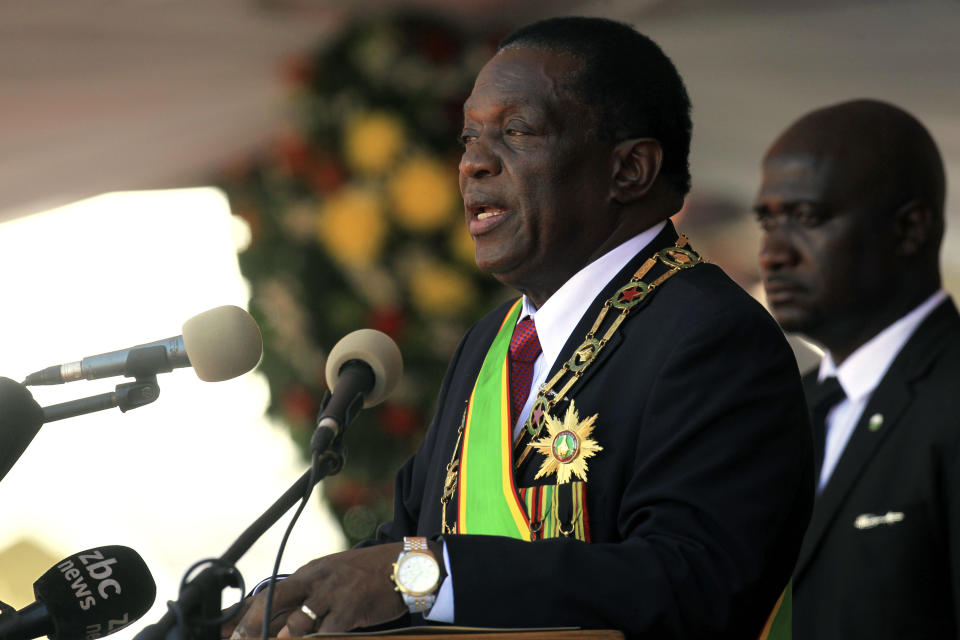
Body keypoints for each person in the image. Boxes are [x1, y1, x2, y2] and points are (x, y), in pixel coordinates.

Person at [225, 17, 812, 639]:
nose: (473, 164)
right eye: (468, 137)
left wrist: (415, 577)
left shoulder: (711, 334)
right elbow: (406, 540)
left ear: (630, 170)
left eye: (517, 131)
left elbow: (692, 582)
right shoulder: (491, 343)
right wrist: (300, 604)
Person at [754, 99, 959, 638]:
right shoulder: (786, 407)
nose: (773, 253)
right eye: (767, 221)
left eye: (807, 218)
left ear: (910, 229)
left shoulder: (950, 400)